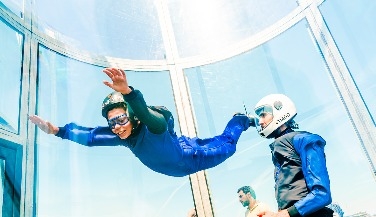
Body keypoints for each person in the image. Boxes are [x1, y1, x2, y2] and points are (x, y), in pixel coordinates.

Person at [29, 68, 256, 177]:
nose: (117, 127)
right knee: (208, 142)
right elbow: (90, 137)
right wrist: (55, 130)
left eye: (121, 119)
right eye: (112, 123)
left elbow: (147, 115)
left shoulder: (152, 128)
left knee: (228, 145)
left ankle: (240, 119)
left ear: (133, 118)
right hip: (177, 148)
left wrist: (128, 92)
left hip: (191, 157)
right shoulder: (125, 136)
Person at [253, 94, 333, 217]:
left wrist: (284, 214)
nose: (260, 121)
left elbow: (321, 194)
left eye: (263, 115)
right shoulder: (279, 148)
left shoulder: (304, 140)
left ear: (279, 111)